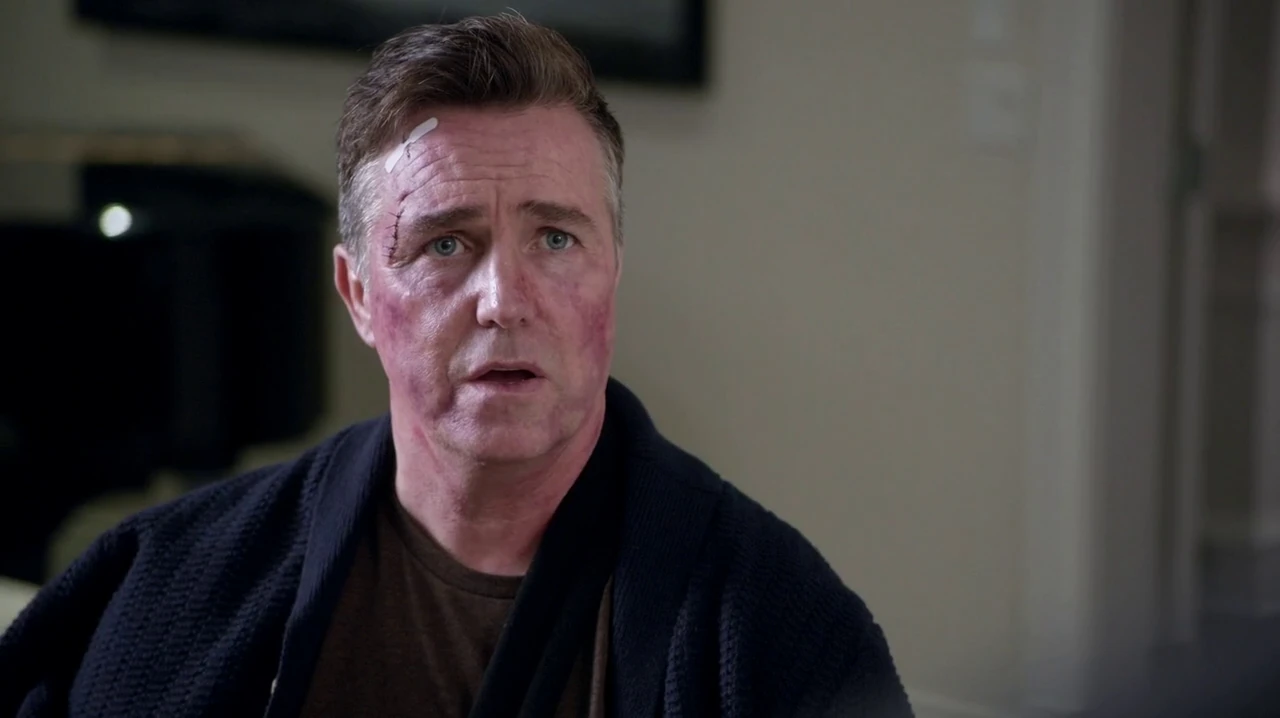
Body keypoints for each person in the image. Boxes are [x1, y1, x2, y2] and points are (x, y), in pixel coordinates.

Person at [0, 14, 913, 718]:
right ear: (359, 294)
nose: (504, 300)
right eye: (446, 243)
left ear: (613, 270)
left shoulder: (782, 638)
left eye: (556, 238)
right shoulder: (165, 587)